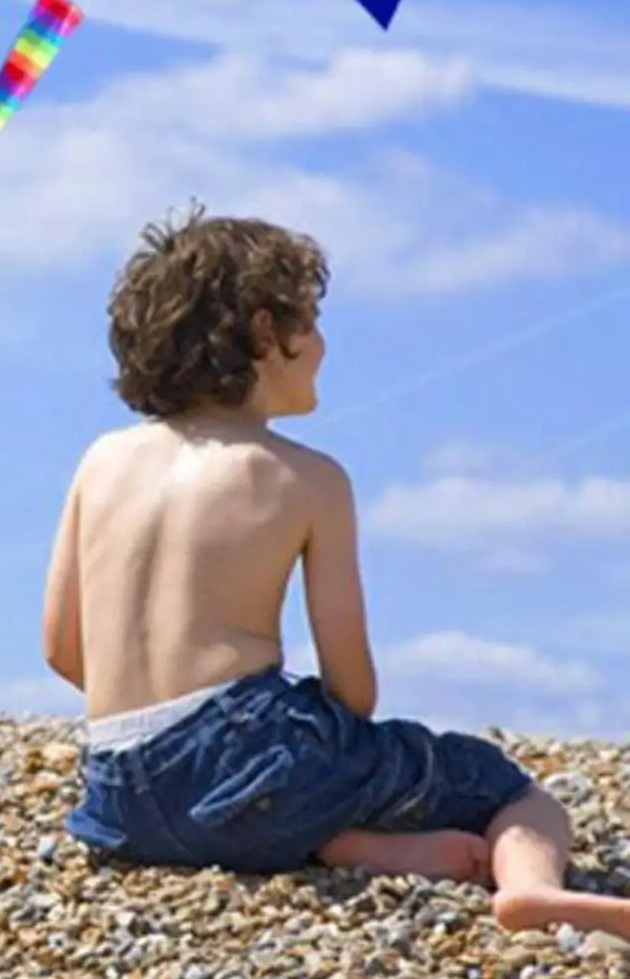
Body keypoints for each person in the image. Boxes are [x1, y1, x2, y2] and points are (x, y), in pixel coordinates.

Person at [43, 203, 630, 938]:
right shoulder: (306, 477)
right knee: (495, 782)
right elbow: (353, 687)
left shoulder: (100, 460)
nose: (321, 345)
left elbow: (64, 648)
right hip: (253, 756)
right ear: (265, 332)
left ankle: (339, 840)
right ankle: (530, 889)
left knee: (266, 797)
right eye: (310, 323)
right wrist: (295, 747)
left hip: (118, 796)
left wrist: (162, 720)